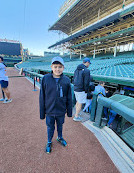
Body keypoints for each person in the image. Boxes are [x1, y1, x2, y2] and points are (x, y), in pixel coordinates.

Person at [39, 57, 72, 154]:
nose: (58, 69)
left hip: (61, 110)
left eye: (60, 67)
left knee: (60, 125)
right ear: (51, 67)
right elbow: (42, 97)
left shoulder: (66, 80)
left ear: (63, 67)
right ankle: (49, 141)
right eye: (55, 67)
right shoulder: (45, 78)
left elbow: (69, 97)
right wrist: (42, 113)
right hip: (49, 110)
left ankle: (60, 137)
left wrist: (69, 112)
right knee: (50, 127)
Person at [73, 57, 91, 121]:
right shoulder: (86, 71)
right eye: (89, 63)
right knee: (80, 103)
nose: (89, 65)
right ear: (87, 62)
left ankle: (76, 113)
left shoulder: (77, 69)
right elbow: (86, 83)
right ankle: (76, 116)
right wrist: (86, 91)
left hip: (75, 88)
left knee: (78, 101)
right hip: (81, 90)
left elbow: (74, 78)